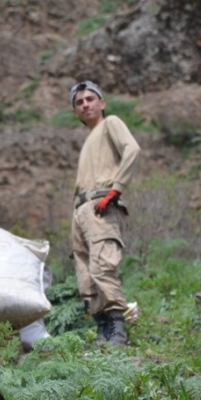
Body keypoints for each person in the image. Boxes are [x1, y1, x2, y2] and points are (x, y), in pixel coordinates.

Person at [69, 80, 140, 346]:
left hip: (102, 204)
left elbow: (132, 150)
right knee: (85, 273)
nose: (85, 104)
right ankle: (103, 331)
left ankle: (118, 332)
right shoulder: (89, 140)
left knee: (103, 266)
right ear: (75, 111)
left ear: (102, 102)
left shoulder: (111, 123)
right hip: (81, 209)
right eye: (79, 102)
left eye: (90, 99)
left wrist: (116, 190)